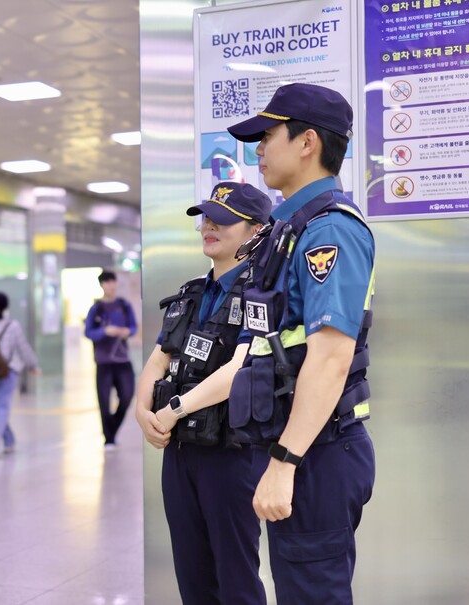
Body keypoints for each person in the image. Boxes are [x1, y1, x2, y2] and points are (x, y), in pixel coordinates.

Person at [226, 83, 376, 604]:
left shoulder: (330, 230)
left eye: (268, 136)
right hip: (300, 443)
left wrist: (285, 462)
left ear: (307, 141)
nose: (258, 149)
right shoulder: (291, 227)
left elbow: (332, 358)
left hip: (317, 452)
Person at [135, 183, 272, 604]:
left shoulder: (262, 291)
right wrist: (143, 411)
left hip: (232, 453)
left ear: (256, 230)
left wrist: (172, 409)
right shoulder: (192, 292)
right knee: (191, 574)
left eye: (222, 219)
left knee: (236, 576)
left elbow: (240, 368)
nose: (208, 226)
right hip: (181, 453)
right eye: (206, 218)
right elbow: (159, 358)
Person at [0, 292, 38, 459]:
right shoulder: (13, 325)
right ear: (7, 306)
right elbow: (23, 347)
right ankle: (0, 442)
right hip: (9, 372)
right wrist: (32, 364)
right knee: (2, 408)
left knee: (0, 408)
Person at [84, 270, 137, 448]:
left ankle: (112, 427)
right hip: (104, 361)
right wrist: (104, 332)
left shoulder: (124, 305)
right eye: (106, 282)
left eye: (112, 281)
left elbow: (133, 327)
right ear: (101, 285)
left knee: (127, 395)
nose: (110, 285)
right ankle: (109, 438)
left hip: (122, 360)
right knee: (104, 401)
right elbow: (88, 332)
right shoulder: (96, 308)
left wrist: (127, 332)